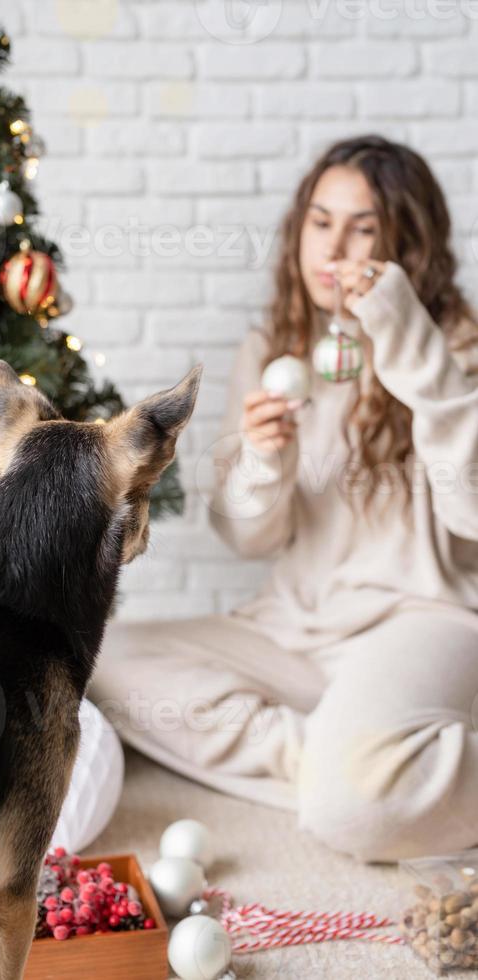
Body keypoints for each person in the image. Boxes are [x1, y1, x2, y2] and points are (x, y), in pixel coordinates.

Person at [87, 135, 478, 863]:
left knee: (359, 815)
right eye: (320, 221)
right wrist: (265, 461)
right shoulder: (274, 345)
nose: (336, 244)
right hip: (294, 625)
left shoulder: (456, 345)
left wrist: (407, 342)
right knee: (94, 654)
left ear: (408, 241)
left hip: (424, 618)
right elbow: (251, 538)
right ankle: (344, 757)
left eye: (364, 227)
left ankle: (363, 770)